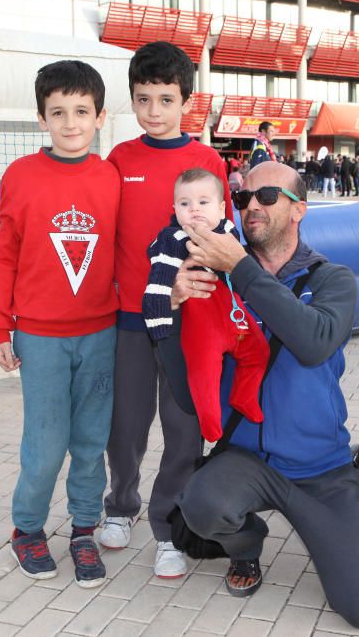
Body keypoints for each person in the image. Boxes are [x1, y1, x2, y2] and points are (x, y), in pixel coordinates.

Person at [171, 161, 359, 628]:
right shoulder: (219, 284)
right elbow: (185, 387)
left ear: (299, 210)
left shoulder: (330, 279)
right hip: (247, 458)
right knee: (201, 505)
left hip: (320, 468)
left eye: (267, 196)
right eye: (243, 198)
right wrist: (173, 314)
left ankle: (345, 532)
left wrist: (241, 268)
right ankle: (246, 545)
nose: (252, 205)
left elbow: (313, 344)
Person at [0, 60, 119, 588]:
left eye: (81, 111)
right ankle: (27, 529)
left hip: (100, 332)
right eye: (57, 112)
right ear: (41, 118)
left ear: (100, 116)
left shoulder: (109, 178)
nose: (70, 122)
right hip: (39, 336)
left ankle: (84, 529)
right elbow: (5, 256)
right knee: (45, 443)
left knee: (90, 439)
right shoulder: (21, 176)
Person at [102, 41, 232, 579]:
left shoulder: (206, 162)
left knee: (183, 428)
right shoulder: (120, 160)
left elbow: (223, 240)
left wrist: (188, 280)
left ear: (187, 101)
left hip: (190, 323)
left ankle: (168, 525)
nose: (154, 111)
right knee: (126, 426)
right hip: (132, 319)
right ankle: (121, 505)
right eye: (143, 99)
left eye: (165, 99)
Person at [142, 168, 269, 443]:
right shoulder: (172, 240)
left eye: (203, 202)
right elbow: (159, 284)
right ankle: (210, 424)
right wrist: (159, 323)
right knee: (204, 371)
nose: (194, 210)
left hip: (232, 313)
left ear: (221, 208)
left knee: (258, 350)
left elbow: (248, 269)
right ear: (174, 208)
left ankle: (244, 396)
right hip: (201, 320)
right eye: (185, 204)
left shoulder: (228, 233)